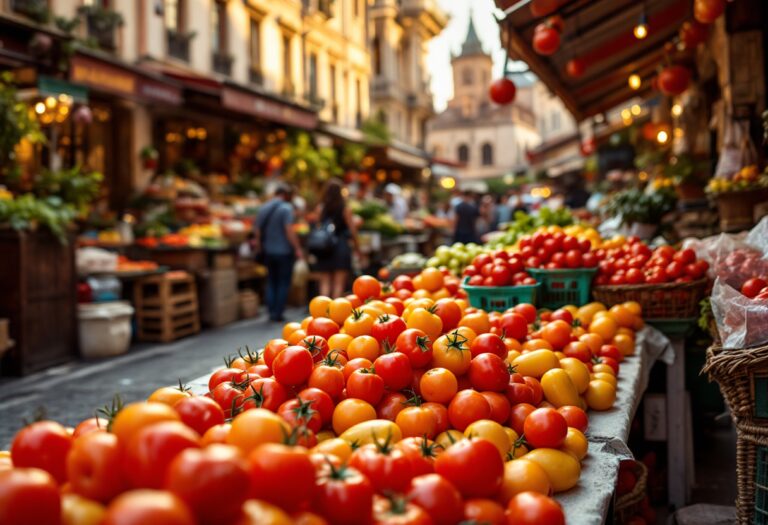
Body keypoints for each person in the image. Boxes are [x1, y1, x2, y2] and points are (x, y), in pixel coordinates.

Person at [254, 183, 304, 322]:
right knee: (283, 282)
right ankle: (278, 312)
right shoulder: (286, 208)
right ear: (285, 195)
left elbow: (257, 230)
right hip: (283, 251)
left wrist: (259, 246)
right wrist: (297, 248)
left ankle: (271, 311)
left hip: (268, 251)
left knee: (271, 280)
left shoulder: (264, 207)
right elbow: (289, 230)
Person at [314, 179, 359, 299]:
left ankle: (323, 312)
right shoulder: (345, 208)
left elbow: (318, 227)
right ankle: (334, 313)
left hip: (324, 248)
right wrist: (357, 248)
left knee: (325, 281)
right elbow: (353, 230)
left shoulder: (320, 208)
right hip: (341, 247)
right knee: (339, 283)